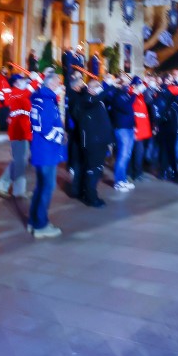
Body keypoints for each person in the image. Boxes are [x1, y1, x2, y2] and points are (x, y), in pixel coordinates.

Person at [28, 71, 67, 238]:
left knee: (40, 187)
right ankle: (41, 225)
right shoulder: (47, 102)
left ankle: (34, 220)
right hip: (47, 151)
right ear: (51, 84)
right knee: (47, 187)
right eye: (58, 83)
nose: (60, 87)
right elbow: (46, 129)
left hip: (41, 150)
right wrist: (60, 138)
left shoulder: (39, 99)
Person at [0, 72, 34, 197]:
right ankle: (2, 185)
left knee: (21, 161)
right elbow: (29, 90)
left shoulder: (21, 94)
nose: (24, 82)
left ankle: (19, 190)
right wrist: (38, 78)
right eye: (21, 80)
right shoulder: (16, 93)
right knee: (19, 161)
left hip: (23, 132)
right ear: (16, 83)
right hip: (18, 132)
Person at [73, 78, 113, 206]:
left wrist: (109, 140)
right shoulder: (86, 99)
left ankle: (86, 192)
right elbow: (95, 99)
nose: (100, 89)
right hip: (92, 142)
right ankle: (91, 197)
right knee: (93, 170)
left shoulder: (96, 100)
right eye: (97, 86)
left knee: (96, 169)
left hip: (100, 141)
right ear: (91, 88)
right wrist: (108, 86)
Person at [110, 79, 137, 191]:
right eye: (125, 83)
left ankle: (123, 179)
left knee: (127, 155)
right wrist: (134, 94)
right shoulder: (117, 96)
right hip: (122, 129)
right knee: (123, 155)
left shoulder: (125, 95)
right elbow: (126, 108)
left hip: (129, 128)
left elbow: (130, 111)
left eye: (128, 83)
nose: (127, 85)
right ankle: (118, 181)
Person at [130, 77, 153, 181]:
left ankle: (138, 172)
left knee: (140, 152)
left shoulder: (140, 96)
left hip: (142, 130)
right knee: (138, 152)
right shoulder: (132, 94)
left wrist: (145, 82)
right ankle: (136, 173)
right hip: (137, 130)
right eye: (138, 85)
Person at [0, 66, 12, 131]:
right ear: (2, 72)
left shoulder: (4, 80)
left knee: (5, 114)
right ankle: (2, 126)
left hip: (6, 102)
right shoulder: (1, 80)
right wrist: (2, 100)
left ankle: (4, 126)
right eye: (5, 71)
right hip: (4, 102)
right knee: (3, 115)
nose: (7, 72)